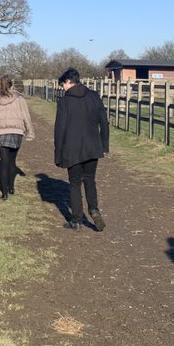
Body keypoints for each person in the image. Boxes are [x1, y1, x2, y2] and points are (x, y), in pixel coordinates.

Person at [53, 67, 109, 231]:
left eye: (62, 84)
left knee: (75, 183)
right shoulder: (94, 96)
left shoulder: (64, 102)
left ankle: (76, 220)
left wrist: (58, 153)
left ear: (69, 82)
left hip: (72, 149)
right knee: (90, 180)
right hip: (93, 147)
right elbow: (104, 122)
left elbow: (60, 129)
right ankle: (94, 209)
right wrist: (104, 145)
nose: (62, 88)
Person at [0, 76, 34, 200]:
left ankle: (4, 192)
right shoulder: (19, 98)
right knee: (12, 161)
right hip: (16, 132)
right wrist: (30, 132)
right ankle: (11, 187)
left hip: (1, 132)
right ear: (12, 85)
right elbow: (26, 116)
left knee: (4, 163)